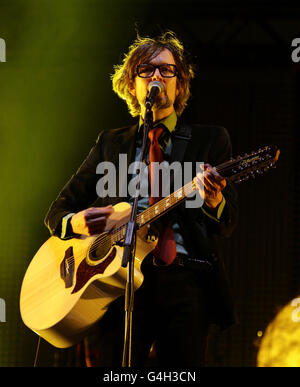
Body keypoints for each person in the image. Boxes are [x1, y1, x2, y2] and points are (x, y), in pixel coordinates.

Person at [45, 31, 238, 367]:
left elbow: (229, 222)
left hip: (186, 284)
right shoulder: (110, 144)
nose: (157, 78)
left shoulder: (209, 141)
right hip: (118, 288)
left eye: (167, 70)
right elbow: (57, 212)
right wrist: (74, 222)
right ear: (132, 84)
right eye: (146, 70)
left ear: (180, 84)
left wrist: (213, 199)